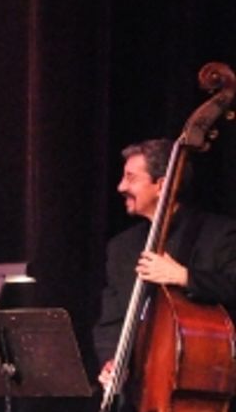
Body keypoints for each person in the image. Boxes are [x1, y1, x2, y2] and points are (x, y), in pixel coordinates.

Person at [93, 137, 236, 390]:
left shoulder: (220, 234)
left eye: (131, 177)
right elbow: (111, 321)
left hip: (204, 388)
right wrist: (112, 360)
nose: (120, 186)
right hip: (139, 397)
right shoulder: (121, 247)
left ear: (161, 185)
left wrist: (185, 277)